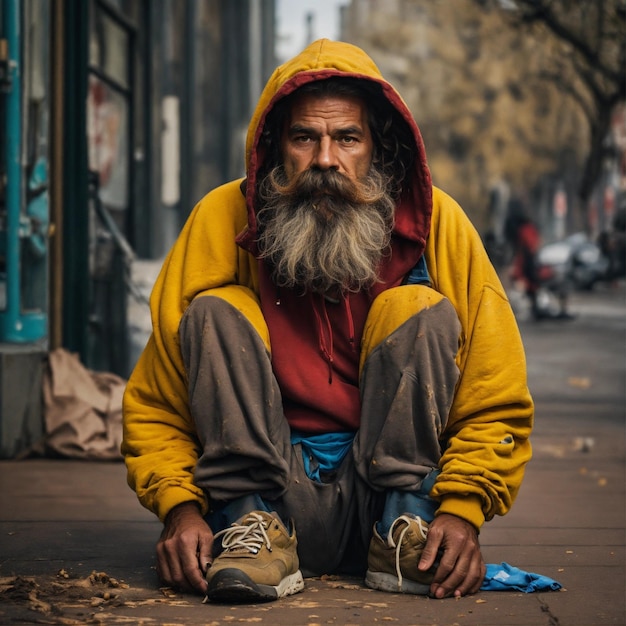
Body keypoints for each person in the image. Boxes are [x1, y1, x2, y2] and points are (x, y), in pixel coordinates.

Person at [122, 39, 533, 604]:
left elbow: (496, 393)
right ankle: (250, 526)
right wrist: (181, 510)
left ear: (378, 150)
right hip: (256, 513)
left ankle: (402, 527)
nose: (324, 160)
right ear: (274, 148)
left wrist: (462, 511)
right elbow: (158, 402)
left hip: (390, 509)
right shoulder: (219, 218)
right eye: (303, 138)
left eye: (347, 138)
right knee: (216, 312)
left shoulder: (442, 226)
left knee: (416, 309)